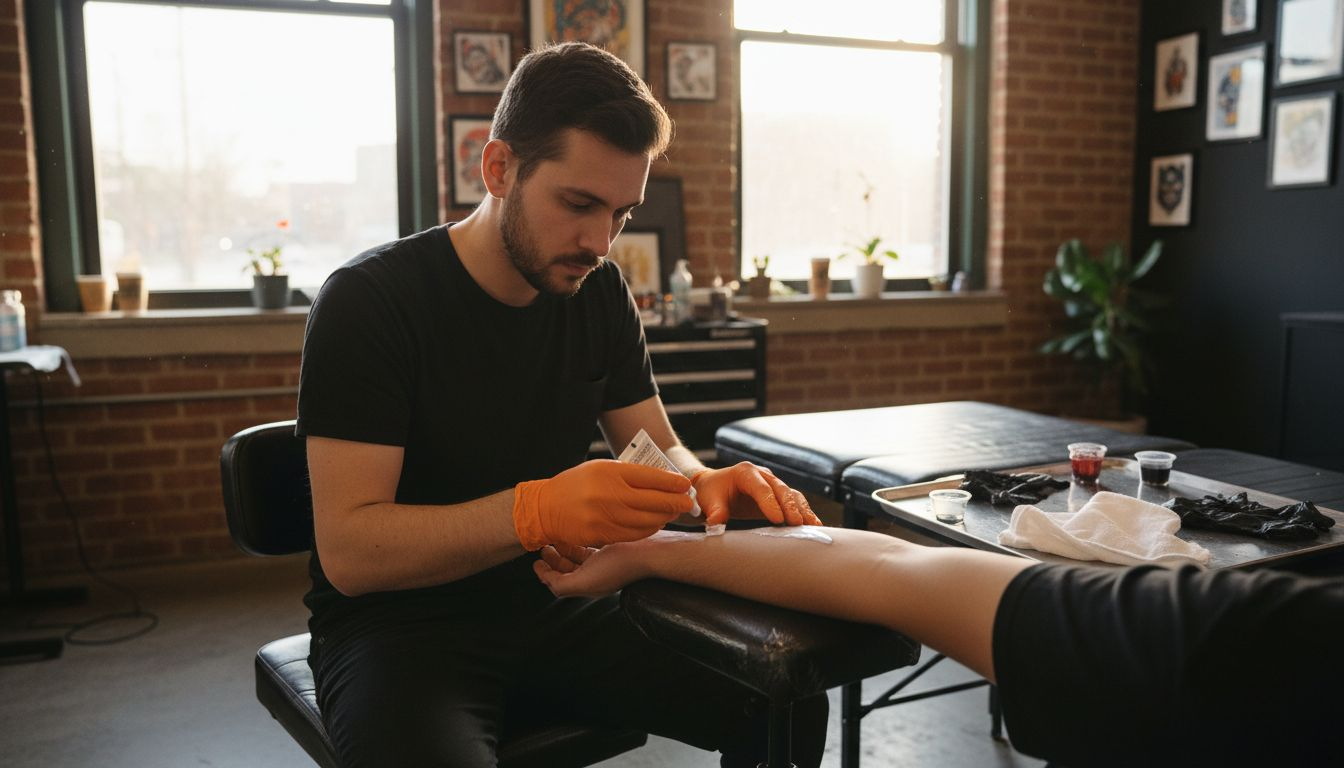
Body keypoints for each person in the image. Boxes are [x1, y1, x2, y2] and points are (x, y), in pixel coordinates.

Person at [296, 42, 825, 768]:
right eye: (578, 204)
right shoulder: (370, 303)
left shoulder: (598, 293)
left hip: (559, 596)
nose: (600, 242)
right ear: (498, 169)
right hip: (399, 628)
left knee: (784, 691)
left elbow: (654, 442)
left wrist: (701, 484)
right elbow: (352, 552)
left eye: (621, 213)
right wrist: (534, 511)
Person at [535, 528, 1344, 767]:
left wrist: (660, 540)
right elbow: (892, 568)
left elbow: (893, 568)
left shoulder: (1256, 642)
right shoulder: (1265, 642)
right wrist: (655, 548)